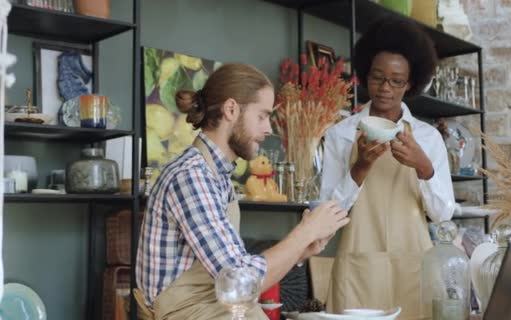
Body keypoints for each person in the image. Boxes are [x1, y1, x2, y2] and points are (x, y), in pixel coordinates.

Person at [135, 63, 350, 320]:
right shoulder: (192, 176)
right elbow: (239, 281)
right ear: (231, 109)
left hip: (212, 307)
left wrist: (301, 250)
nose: (268, 129)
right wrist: (306, 232)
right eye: (262, 116)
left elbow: (231, 266)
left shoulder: (217, 175)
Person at [320, 17, 456, 319]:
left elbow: (443, 214)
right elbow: (326, 214)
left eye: (396, 81)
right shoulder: (340, 134)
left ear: (410, 83)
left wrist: (424, 168)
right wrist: (360, 168)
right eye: (377, 77)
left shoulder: (427, 137)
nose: (385, 88)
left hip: (414, 268)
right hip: (357, 269)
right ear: (365, 75)